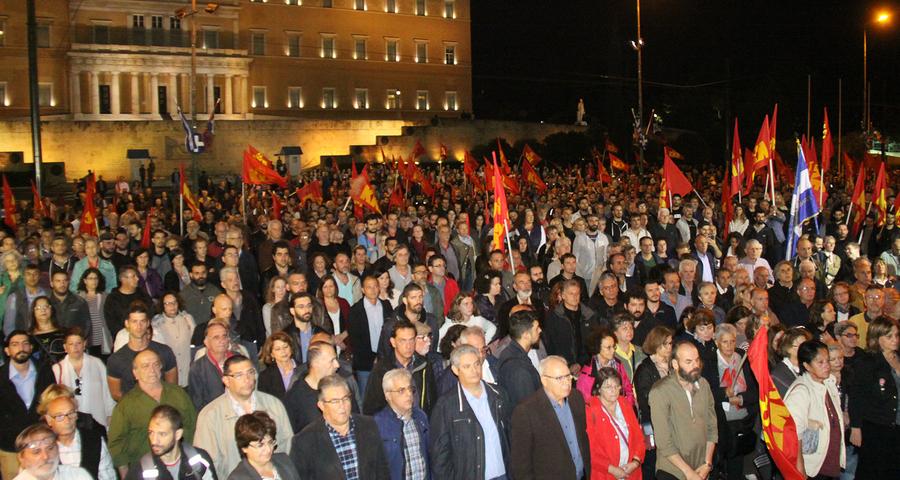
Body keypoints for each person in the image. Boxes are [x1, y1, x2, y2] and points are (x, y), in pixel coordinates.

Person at [194, 355, 293, 477]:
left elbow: (287, 445)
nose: (247, 379)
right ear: (226, 381)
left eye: (250, 373)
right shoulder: (211, 415)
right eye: (239, 375)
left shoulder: (273, 405)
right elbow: (207, 465)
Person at [108, 349, 197, 476]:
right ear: (135, 373)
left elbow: (193, 426)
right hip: (144, 470)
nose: (152, 370)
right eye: (145, 366)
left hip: (182, 466)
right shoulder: (126, 404)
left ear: (161, 368)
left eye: (155, 364)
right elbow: (117, 442)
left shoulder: (178, 394)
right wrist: (125, 474)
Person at [429, 344, 511, 480]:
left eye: (476, 364)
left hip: (503, 474)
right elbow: (440, 456)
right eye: (467, 366)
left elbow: (511, 436)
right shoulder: (446, 405)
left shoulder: (498, 395)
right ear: (455, 370)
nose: (474, 370)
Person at [289, 374, 390, 479]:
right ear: (321, 405)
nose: (342, 406)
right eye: (335, 401)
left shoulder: (368, 426)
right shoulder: (304, 441)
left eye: (345, 399)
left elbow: (382, 471)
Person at [510, 355, 591, 480]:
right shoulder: (526, 411)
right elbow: (521, 465)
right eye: (559, 378)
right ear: (544, 380)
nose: (567, 382)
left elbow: (583, 438)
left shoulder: (576, 398)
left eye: (568, 376)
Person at [648, 340, 717, 480]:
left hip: (701, 467)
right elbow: (664, 442)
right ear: (675, 364)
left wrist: (707, 464)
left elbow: (712, 428)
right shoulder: (660, 392)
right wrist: (689, 473)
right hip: (673, 471)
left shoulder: (703, 385)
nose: (695, 366)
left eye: (697, 360)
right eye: (688, 362)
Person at [784, 340, 845, 479]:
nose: (827, 366)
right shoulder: (801, 391)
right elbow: (792, 434)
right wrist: (800, 470)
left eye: (827, 360)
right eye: (820, 362)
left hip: (830, 464)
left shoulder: (829, 383)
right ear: (807, 365)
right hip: (812, 469)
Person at [848, 317, 900, 477]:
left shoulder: (898, 357)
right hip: (877, 426)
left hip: (897, 424)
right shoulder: (867, 362)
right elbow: (856, 396)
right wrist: (855, 427)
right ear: (877, 338)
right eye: (889, 336)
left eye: (897, 335)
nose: (895, 339)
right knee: (874, 470)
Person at [0, 330, 56, 480]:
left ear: (31, 347)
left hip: (42, 447)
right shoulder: (1, 377)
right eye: (15, 344)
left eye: (25, 343)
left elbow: (51, 405)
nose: (21, 348)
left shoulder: (44, 372)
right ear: (7, 350)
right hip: (10, 447)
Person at [37, 385, 116, 480]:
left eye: (70, 413)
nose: (67, 420)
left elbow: (108, 476)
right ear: (48, 419)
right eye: (59, 416)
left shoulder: (94, 440)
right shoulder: (41, 448)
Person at [710, 323, 758, 478]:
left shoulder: (742, 358)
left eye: (732, 341)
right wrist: (724, 393)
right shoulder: (710, 361)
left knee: (736, 465)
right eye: (725, 342)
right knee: (718, 463)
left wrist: (741, 399)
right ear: (717, 342)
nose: (729, 346)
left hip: (742, 421)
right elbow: (706, 392)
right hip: (720, 423)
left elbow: (755, 390)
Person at [363, 320, 437, 416]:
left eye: (411, 340)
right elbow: (371, 407)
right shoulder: (382, 369)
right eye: (403, 341)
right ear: (393, 342)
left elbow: (433, 399)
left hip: (420, 420)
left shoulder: (424, 365)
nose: (408, 346)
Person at [106, 302, 178, 401]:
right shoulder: (116, 360)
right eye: (134, 321)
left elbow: (173, 387)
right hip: (132, 408)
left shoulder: (164, 352)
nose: (139, 326)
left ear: (148, 323)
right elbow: (116, 394)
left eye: (142, 321)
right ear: (127, 324)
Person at [123, 405, 216, 480]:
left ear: (178, 434)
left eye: (162, 434)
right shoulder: (141, 471)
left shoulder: (199, 460)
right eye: (151, 433)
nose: (154, 440)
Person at [585, 366, 645, 480]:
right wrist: (612, 469)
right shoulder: (590, 409)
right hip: (605, 474)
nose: (613, 390)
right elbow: (589, 450)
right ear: (598, 388)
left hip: (631, 472)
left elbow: (639, 437)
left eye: (616, 386)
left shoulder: (624, 403)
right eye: (608, 387)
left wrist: (635, 462)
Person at [373, 368, 431, 480]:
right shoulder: (378, 424)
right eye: (401, 391)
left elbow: (430, 456)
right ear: (388, 395)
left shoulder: (421, 417)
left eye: (410, 389)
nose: (409, 394)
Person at [51, 328, 115, 428]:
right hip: (71, 420)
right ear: (65, 347)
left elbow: (108, 390)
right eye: (71, 344)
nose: (75, 347)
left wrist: (110, 413)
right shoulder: (57, 369)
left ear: (84, 344)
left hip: (97, 416)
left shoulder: (97, 363)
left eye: (78, 343)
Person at [632, 325, 674, 479]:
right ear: (656, 344)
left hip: (675, 421)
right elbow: (646, 402)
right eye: (665, 344)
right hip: (655, 423)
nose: (669, 347)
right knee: (654, 464)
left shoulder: (674, 364)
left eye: (670, 343)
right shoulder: (645, 369)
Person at [348, 274, 394, 395]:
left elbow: (391, 332)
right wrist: (373, 358)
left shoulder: (386, 306)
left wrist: (382, 356)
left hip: (385, 359)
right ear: (363, 290)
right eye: (369, 287)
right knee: (365, 395)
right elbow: (355, 339)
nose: (373, 290)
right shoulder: (355, 310)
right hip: (364, 362)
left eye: (375, 286)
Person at [544, 279, 600, 371]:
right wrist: (566, 364)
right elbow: (550, 344)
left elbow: (593, 343)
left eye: (577, 293)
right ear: (563, 295)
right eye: (571, 294)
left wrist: (581, 363)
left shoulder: (589, 315)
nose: (575, 297)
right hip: (562, 366)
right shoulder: (554, 317)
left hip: (586, 366)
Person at [188, 319, 244, 410]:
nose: (222, 340)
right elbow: (197, 403)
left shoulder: (239, 359)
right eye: (216, 337)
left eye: (224, 336)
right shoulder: (198, 369)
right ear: (206, 342)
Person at [227, 411, 299, 480]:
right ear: (244, 448)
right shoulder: (237, 478)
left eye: (270, 442)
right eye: (260, 445)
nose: (268, 449)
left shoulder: (284, 461)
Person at [496, 310, 543, 409]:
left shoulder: (510, 351)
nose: (540, 330)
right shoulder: (519, 370)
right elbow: (529, 407)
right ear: (526, 335)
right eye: (536, 328)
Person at [12, 424, 92, 480]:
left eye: (50, 448)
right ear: (21, 458)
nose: (45, 456)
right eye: (36, 452)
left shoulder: (77, 476)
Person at [152, 292, 195, 387]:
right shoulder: (157, 323)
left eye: (174, 302)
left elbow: (194, 340)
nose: (172, 306)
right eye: (167, 303)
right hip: (169, 372)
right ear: (162, 306)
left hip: (187, 368)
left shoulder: (187, 319)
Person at [103, 266, 154, 339]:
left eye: (137, 276)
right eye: (133, 276)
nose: (137, 279)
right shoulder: (112, 299)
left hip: (144, 336)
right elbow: (112, 324)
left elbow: (150, 315)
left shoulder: (143, 295)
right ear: (123, 279)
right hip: (123, 338)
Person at [74, 268, 113, 356]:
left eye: (96, 278)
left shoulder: (105, 296)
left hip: (102, 338)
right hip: (86, 337)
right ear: (85, 280)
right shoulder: (78, 298)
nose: (94, 281)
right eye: (90, 278)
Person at [256, 332, 300, 401]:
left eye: (285, 347)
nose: (283, 351)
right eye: (278, 349)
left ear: (291, 348)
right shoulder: (265, 377)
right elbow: (264, 402)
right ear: (271, 354)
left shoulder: (304, 369)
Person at [771, 327, 813, 397]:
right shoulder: (778, 374)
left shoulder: (809, 365)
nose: (806, 349)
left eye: (806, 345)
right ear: (788, 349)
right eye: (801, 346)